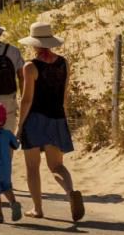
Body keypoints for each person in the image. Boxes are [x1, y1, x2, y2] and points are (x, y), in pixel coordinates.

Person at [16, 21, 84, 222]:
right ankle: (70, 191)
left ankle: (37, 208)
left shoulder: (30, 67)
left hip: (35, 119)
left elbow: (27, 99)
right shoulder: (63, 63)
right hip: (57, 117)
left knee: (32, 167)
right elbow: (64, 94)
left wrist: (20, 126)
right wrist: (63, 115)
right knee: (56, 166)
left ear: (34, 44)